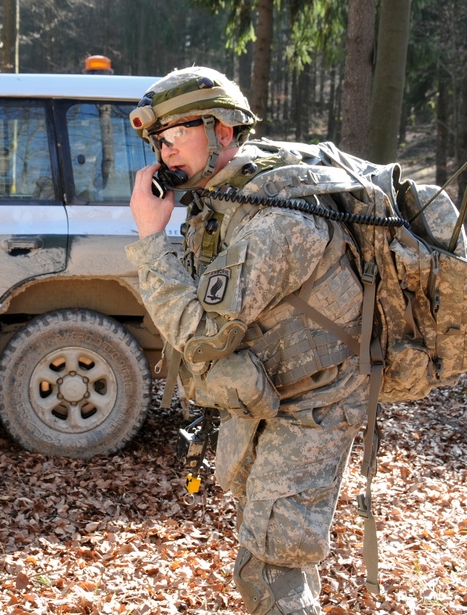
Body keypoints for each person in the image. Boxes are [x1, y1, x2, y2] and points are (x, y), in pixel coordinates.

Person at [126, 66, 369, 614]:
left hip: (315, 402)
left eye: (175, 137)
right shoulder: (221, 198)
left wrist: (148, 238)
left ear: (224, 132)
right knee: (255, 541)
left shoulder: (277, 218)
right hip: (269, 393)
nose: (165, 154)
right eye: (158, 142)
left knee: (273, 563)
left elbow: (202, 334)